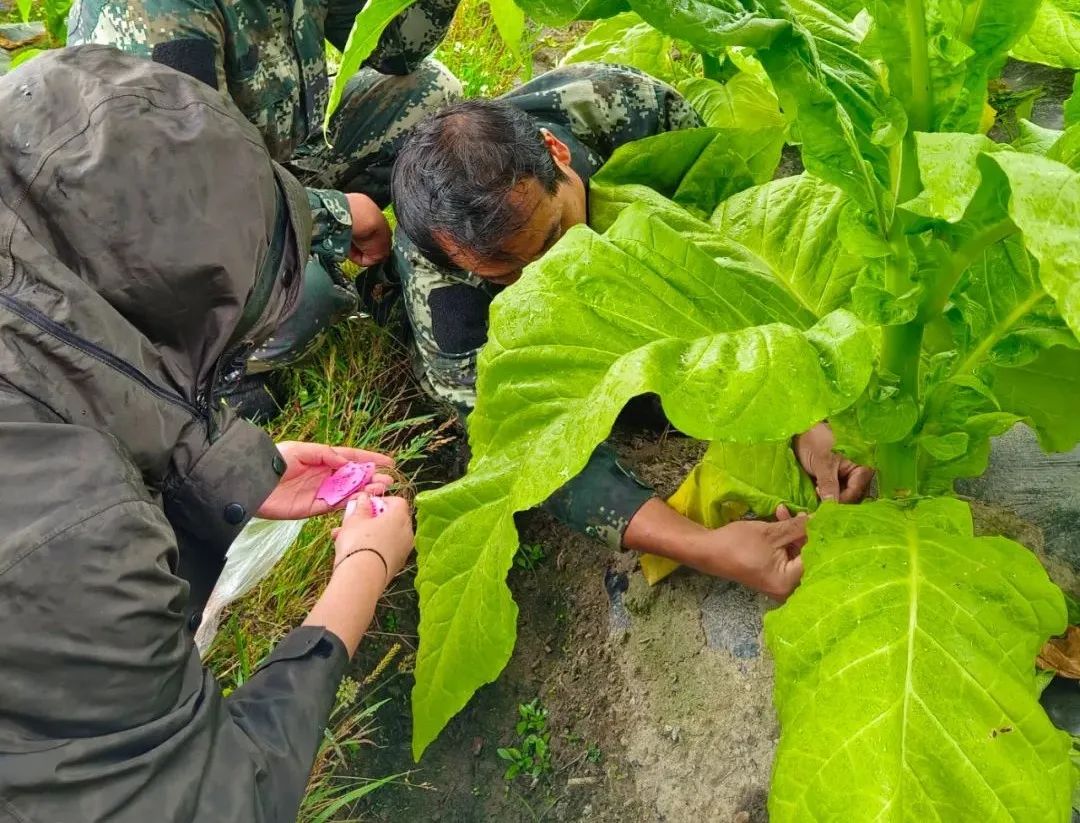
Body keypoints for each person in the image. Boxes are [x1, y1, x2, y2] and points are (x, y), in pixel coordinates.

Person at [0, 47, 413, 821]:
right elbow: (212, 800)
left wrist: (230, 476)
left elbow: (70, 354)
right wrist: (360, 570)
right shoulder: (67, 536)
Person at [390, 63, 873, 600]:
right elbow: (522, 441)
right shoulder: (442, 286)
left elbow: (730, 252)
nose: (550, 276)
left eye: (555, 238)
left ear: (558, 152)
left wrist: (806, 409)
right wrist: (701, 546)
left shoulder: (621, 105)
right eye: (509, 277)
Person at [67, 0, 462, 414]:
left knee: (429, 92)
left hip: (261, 161)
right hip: (157, 228)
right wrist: (336, 215)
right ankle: (205, 369)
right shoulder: (164, 12)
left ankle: (329, 259)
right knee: (304, 295)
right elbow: (182, 189)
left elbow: (396, 49)